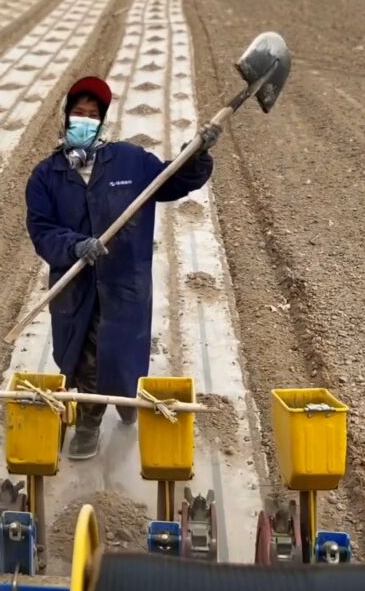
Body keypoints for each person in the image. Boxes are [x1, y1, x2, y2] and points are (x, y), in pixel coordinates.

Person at [25, 76, 221, 460]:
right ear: (65, 119)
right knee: (80, 355)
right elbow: (42, 229)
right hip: (74, 282)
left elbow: (174, 181)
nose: (84, 121)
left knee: (119, 350)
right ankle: (91, 414)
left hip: (121, 281)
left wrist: (196, 156)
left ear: (103, 122)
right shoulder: (46, 176)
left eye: (92, 116)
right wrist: (75, 246)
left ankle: (108, 407)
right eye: (77, 114)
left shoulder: (130, 161)